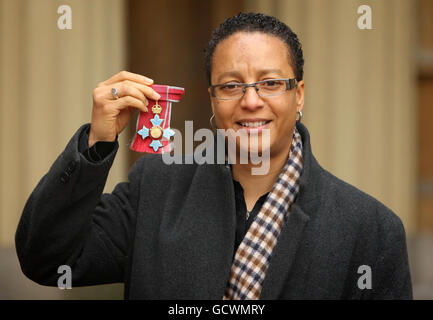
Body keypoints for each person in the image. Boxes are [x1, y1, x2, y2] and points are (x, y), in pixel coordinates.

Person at [15, 12, 412, 299]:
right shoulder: (155, 187)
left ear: (299, 94)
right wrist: (96, 145)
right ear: (212, 99)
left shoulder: (371, 230)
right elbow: (47, 260)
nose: (251, 101)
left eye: (270, 83)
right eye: (231, 86)